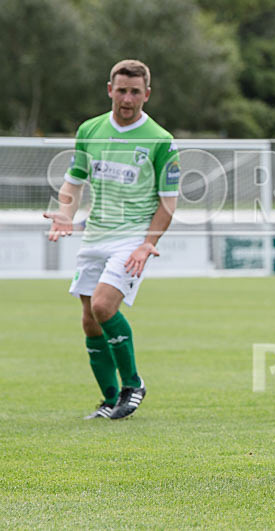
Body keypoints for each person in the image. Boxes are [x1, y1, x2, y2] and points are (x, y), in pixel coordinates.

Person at [44, 59, 179, 420]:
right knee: (89, 320)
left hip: (132, 238)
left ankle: (133, 384)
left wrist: (147, 242)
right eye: (121, 90)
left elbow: (168, 202)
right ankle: (109, 400)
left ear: (146, 95)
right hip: (95, 235)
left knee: (104, 306)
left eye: (135, 91)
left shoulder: (161, 140)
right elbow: (74, 181)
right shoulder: (90, 130)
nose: (127, 98)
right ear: (110, 90)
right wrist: (65, 214)